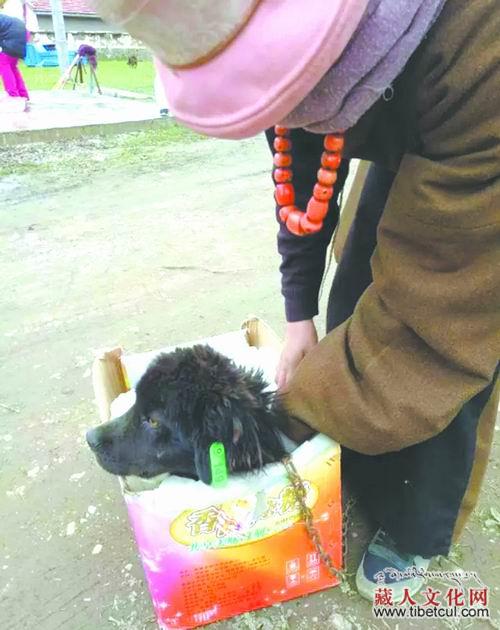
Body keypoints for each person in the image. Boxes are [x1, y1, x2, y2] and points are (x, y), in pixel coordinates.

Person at [98, 0, 500, 601]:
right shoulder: (279, 59)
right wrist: (298, 316)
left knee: (443, 339)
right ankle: (359, 455)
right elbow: (300, 173)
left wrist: (260, 427)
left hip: (477, 126)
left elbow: (430, 316)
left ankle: (419, 527)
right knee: (354, 293)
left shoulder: (481, 55)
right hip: (403, 96)